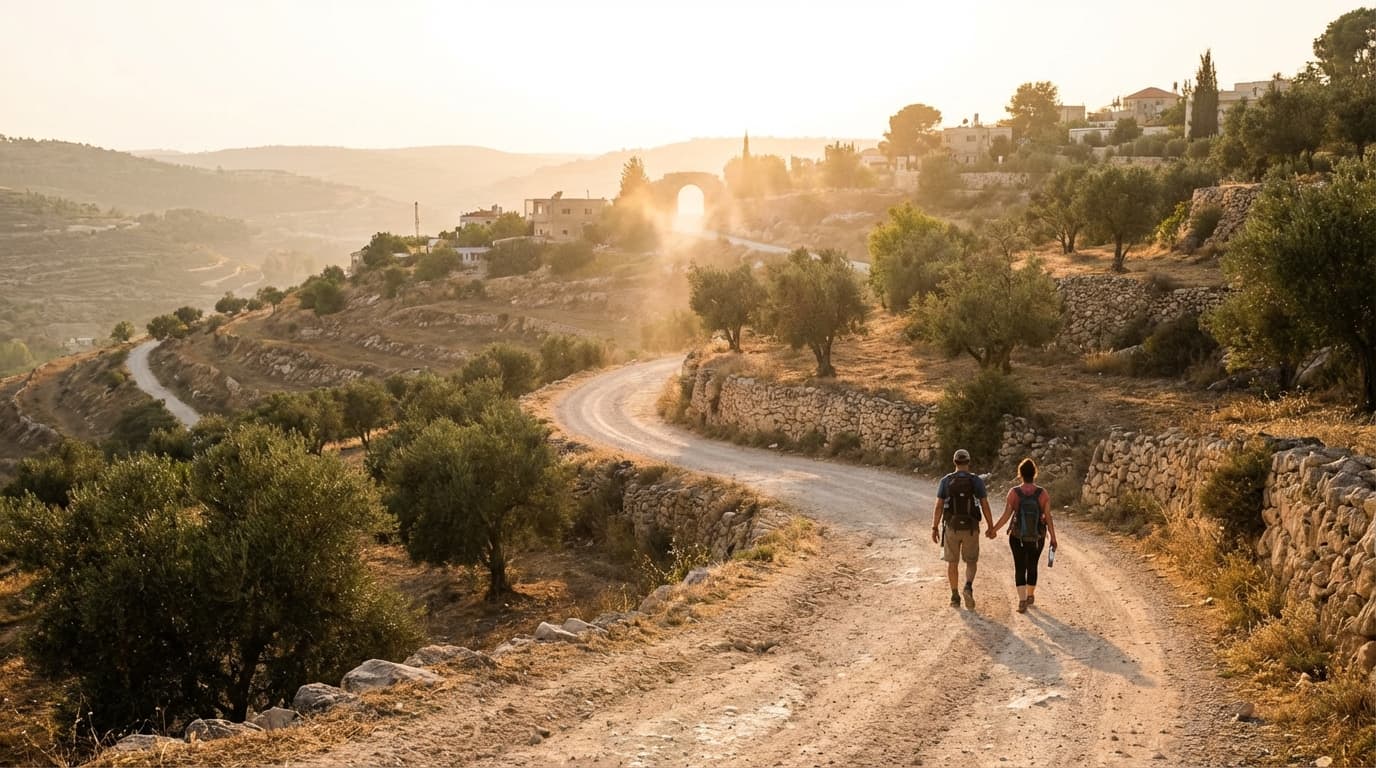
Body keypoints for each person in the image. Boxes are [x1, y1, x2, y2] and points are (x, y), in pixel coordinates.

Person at [991, 458, 1059, 613]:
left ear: (1020, 474)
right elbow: (1048, 517)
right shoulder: (1042, 493)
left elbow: (1006, 515)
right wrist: (1053, 538)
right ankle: (1030, 595)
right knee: (1032, 565)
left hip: (1017, 537)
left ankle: (1022, 601)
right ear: (1035, 473)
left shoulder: (1014, 493)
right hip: (1037, 537)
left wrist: (994, 529)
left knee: (1020, 566)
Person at [932, 448, 995, 609]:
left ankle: (954, 596)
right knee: (971, 561)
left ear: (954, 462)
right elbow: (984, 504)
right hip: (971, 528)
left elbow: (939, 506)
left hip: (951, 527)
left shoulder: (946, 481)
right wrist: (991, 526)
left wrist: (934, 527)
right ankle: (968, 586)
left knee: (952, 562)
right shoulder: (976, 481)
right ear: (968, 462)